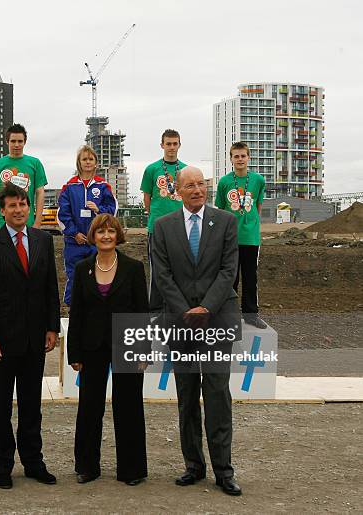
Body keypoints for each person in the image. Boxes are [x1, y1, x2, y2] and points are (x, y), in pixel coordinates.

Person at [150, 166, 243, 496]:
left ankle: (223, 470)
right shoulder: (162, 228)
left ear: (207, 188)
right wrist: (186, 311)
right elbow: (161, 275)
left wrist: (207, 307)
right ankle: (194, 466)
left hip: (217, 319)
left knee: (217, 393)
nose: (196, 190)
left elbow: (229, 270)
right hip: (180, 322)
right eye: (189, 185)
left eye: (201, 184)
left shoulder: (227, 222)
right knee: (187, 395)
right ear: (178, 190)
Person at [0, 182, 60, 489]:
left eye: (23, 204)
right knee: (0, 406)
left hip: (35, 339)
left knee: (31, 405)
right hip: (2, 342)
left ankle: (33, 462)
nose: (19, 209)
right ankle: (1, 465)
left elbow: (51, 286)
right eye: (12, 205)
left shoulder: (42, 240)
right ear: (2, 210)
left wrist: (53, 327)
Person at [67, 214, 148, 486]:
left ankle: (132, 469)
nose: (105, 236)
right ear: (93, 236)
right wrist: (74, 353)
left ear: (118, 235)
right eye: (100, 231)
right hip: (91, 347)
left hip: (127, 344)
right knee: (89, 407)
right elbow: (76, 313)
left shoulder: (134, 268)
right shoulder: (82, 269)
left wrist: (142, 351)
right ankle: (87, 467)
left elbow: (141, 312)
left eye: (110, 231)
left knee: (129, 407)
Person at [215, 142, 267, 329]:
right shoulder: (224, 182)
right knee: (230, 277)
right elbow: (220, 210)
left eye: (243, 156)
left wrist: (250, 224)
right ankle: (228, 314)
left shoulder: (258, 180)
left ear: (248, 158)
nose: (240, 159)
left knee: (250, 277)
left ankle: (251, 314)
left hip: (251, 238)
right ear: (231, 159)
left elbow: (257, 207)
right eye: (236, 156)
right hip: (230, 238)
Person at [57, 145, 117, 306]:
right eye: (84, 159)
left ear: (96, 163)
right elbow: (62, 214)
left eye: (91, 159)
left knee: (99, 276)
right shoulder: (69, 187)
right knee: (74, 275)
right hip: (74, 242)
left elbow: (113, 210)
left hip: (97, 243)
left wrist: (99, 210)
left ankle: (97, 310)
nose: (88, 162)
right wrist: (74, 233)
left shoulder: (103, 186)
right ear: (79, 163)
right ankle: (72, 311)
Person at [140, 129, 187, 312]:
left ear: (179, 145)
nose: (172, 147)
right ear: (162, 145)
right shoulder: (152, 169)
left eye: (175, 143)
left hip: (181, 227)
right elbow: (147, 197)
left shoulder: (185, 169)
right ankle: (155, 309)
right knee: (157, 269)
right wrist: (155, 216)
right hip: (157, 227)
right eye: (168, 143)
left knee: (180, 268)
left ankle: (176, 307)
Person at [0, 123, 47, 232]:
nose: (16, 145)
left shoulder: (35, 163)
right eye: (13, 141)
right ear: (7, 141)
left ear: (25, 142)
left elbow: (40, 193)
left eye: (20, 141)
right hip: (2, 224)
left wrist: (37, 223)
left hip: (28, 223)